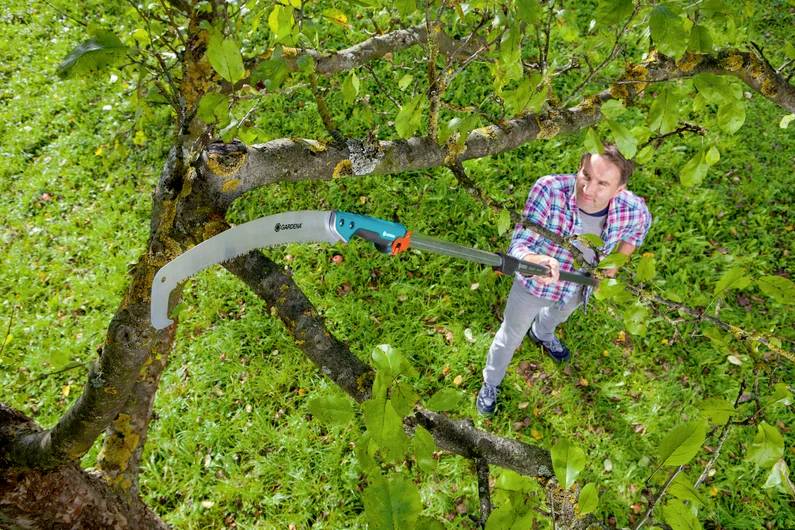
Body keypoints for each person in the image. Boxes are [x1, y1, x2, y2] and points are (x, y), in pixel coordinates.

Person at [476, 145, 652, 415]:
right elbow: (521, 241)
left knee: (558, 315)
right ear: (580, 166)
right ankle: (491, 382)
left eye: (602, 184)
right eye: (586, 175)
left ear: (619, 190)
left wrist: (613, 268)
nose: (588, 189)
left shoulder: (631, 208)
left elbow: (638, 229)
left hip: (580, 284)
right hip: (535, 284)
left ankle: (542, 333)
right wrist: (535, 261)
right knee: (510, 335)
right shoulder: (549, 189)